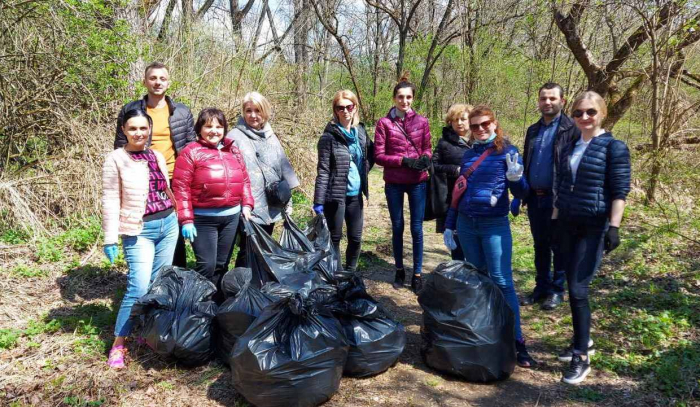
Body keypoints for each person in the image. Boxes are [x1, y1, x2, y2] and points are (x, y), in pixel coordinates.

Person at [442, 105, 537, 368]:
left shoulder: (508, 152)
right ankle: (489, 334)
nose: (481, 129)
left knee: (502, 281)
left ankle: (518, 341)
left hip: (494, 225)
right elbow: (458, 194)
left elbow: (522, 193)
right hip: (467, 225)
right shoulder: (468, 156)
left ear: (495, 124)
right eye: (475, 126)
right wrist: (450, 225)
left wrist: (516, 179)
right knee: (480, 279)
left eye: (485, 124)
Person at [553, 91, 630, 384]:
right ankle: (581, 341)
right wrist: (555, 222)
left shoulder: (614, 147)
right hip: (569, 224)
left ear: (602, 113)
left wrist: (614, 226)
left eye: (590, 112)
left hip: (594, 226)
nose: (584, 117)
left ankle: (581, 357)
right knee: (572, 287)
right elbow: (562, 185)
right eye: (578, 113)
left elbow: (619, 190)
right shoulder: (571, 145)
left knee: (578, 289)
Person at [102, 109, 179, 369]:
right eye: (133, 128)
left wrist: (179, 215)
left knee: (159, 284)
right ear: (123, 130)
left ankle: (147, 334)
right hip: (139, 230)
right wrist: (110, 237)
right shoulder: (116, 159)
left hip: (168, 224)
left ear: (149, 129)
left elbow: (164, 188)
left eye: (143, 128)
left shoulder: (156, 154)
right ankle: (118, 344)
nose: (139, 133)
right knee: (138, 287)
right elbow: (111, 199)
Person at [114, 62, 196, 268]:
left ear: (168, 82)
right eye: (153, 78)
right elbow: (120, 146)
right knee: (144, 226)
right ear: (145, 81)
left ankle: (175, 277)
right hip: (144, 180)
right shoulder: (130, 110)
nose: (157, 82)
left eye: (162, 78)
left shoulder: (181, 112)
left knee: (174, 229)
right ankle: (145, 274)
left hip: (174, 178)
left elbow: (190, 146)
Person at [172, 108, 254, 303]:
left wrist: (247, 205)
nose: (214, 130)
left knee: (221, 264)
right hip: (203, 219)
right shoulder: (190, 152)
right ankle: (197, 305)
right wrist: (186, 220)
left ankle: (215, 304)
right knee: (206, 266)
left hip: (231, 217)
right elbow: (180, 188)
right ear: (199, 128)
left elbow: (244, 180)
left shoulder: (232, 149)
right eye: (208, 126)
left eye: (219, 126)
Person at [519, 83, 580, 311]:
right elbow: (527, 162)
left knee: (559, 246)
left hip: (559, 199)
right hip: (535, 198)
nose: (547, 102)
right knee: (540, 245)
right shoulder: (533, 130)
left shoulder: (571, 129)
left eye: (552, 98)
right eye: (543, 98)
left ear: (562, 101)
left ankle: (556, 291)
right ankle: (541, 288)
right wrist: (521, 194)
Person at [226, 92, 300, 267]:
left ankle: (258, 286)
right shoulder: (233, 136)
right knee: (247, 248)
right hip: (246, 205)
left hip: (271, 202)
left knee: (264, 248)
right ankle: (241, 286)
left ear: (265, 112)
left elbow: (283, 166)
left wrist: (288, 199)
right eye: (248, 110)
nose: (253, 115)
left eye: (257, 110)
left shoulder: (270, 135)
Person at [374, 75, 432, 294]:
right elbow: (379, 155)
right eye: (400, 97)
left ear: (413, 99)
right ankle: (399, 269)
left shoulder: (422, 121)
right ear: (394, 98)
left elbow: (427, 147)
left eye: (408, 97)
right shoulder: (384, 123)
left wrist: (425, 158)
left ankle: (417, 274)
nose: (404, 101)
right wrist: (402, 161)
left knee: (417, 228)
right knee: (397, 226)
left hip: (418, 182)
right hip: (395, 182)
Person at [312, 90, 373, 273]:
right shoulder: (328, 137)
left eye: (349, 106)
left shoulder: (360, 132)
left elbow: (371, 155)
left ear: (355, 108)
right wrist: (318, 202)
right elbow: (322, 170)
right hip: (335, 197)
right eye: (341, 107)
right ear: (335, 110)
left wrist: (362, 173)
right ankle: (337, 275)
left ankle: (351, 272)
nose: (345, 111)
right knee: (335, 238)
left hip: (355, 196)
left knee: (355, 238)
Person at [432, 103, 473, 261]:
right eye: (455, 120)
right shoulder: (444, 143)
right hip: (453, 197)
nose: (459, 123)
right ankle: (458, 274)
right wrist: (453, 169)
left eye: (463, 119)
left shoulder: (478, 142)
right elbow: (434, 165)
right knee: (457, 242)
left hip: (475, 198)